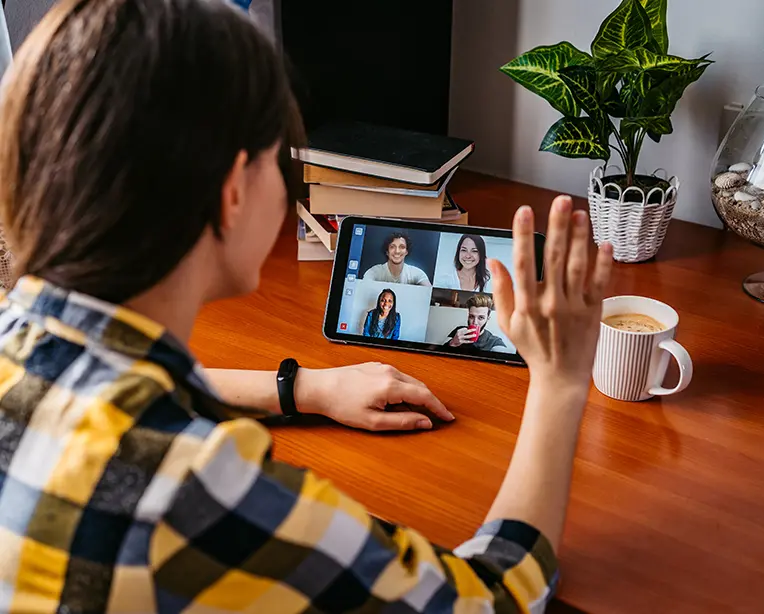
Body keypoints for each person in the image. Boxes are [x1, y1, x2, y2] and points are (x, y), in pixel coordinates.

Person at [0, 0, 613, 612]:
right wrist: (559, 382)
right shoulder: (201, 491)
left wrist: (301, 389)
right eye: (282, 161)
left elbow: (114, 390)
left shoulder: (16, 340)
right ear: (234, 191)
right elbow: (491, 600)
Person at [362, 231, 432, 286]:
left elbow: (429, 292)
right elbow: (363, 290)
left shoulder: (416, 273)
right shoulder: (374, 272)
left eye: (402, 247)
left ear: (406, 252)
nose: (397, 251)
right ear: (387, 251)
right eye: (392, 247)